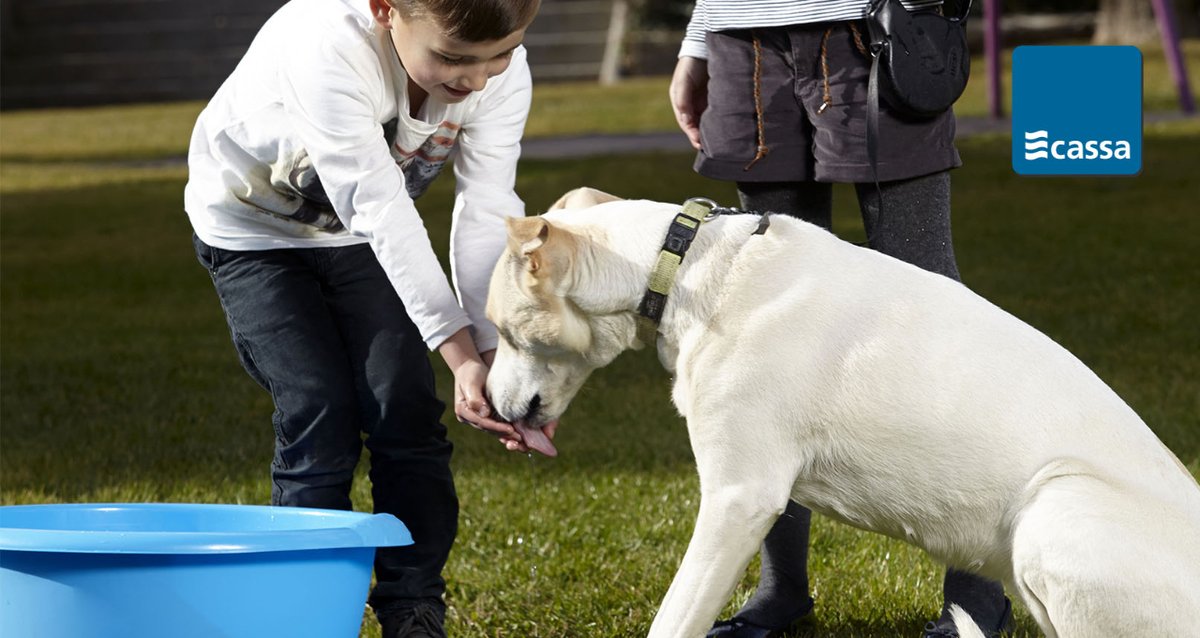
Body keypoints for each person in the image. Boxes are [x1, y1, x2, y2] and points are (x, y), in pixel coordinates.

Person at [184, 0, 539, 635]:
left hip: (359, 239)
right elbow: (379, 206)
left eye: (501, 55)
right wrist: (457, 352)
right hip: (252, 236)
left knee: (404, 407)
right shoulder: (325, 44)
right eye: (453, 58)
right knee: (318, 410)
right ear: (385, 10)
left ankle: (413, 605)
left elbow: (487, 209)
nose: (477, 78)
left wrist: (492, 354)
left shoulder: (498, 72)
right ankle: (304, 617)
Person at [669, 2, 1012, 637]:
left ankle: (978, 594)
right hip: (742, 39)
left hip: (871, 29)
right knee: (767, 326)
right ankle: (781, 591)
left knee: (938, 317)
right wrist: (699, 37)